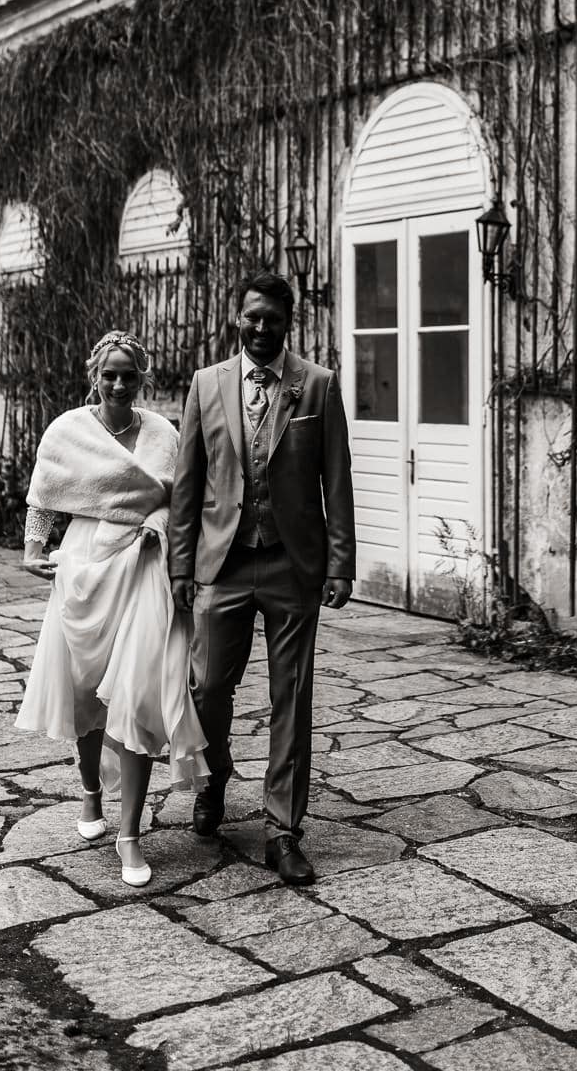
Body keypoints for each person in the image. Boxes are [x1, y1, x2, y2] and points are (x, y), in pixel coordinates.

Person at [167, 270, 355, 885]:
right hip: (221, 563)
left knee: (290, 697)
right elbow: (188, 484)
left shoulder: (318, 385)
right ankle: (213, 779)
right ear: (238, 318)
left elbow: (337, 481)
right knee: (206, 690)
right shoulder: (206, 384)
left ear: (287, 322)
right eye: (252, 316)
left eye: (272, 318)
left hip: (291, 565)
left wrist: (339, 563)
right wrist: (181, 565)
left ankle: (282, 830)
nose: (261, 327)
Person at [16, 329, 208, 887]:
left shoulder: (164, 433)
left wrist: (157, 524)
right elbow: (43, 497)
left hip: (145, 565)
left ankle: (130, 834)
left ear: (141, 378)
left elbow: (181, 502)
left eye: (128, 375)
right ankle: (91, 791)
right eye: (110, 375)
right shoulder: (68, 430)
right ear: (95, 377)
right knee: (83, 693)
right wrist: (32, 551)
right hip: (85, 566)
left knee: (138, 693)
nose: (119, 384)